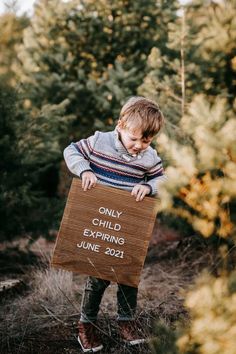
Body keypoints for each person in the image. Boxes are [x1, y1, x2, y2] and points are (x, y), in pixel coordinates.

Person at [63, 96, 165, 352]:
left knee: (128, 276)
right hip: (99, 222)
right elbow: (71, 150)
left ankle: (126, 322)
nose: (139, 146)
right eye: (135, 139)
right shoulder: (99, 141)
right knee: (97, 278)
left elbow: (163, 179)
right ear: (120, 125)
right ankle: (85, 326)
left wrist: (148, 185)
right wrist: (84, 170)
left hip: (128, 224)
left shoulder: (149, 157)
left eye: (147, 140)